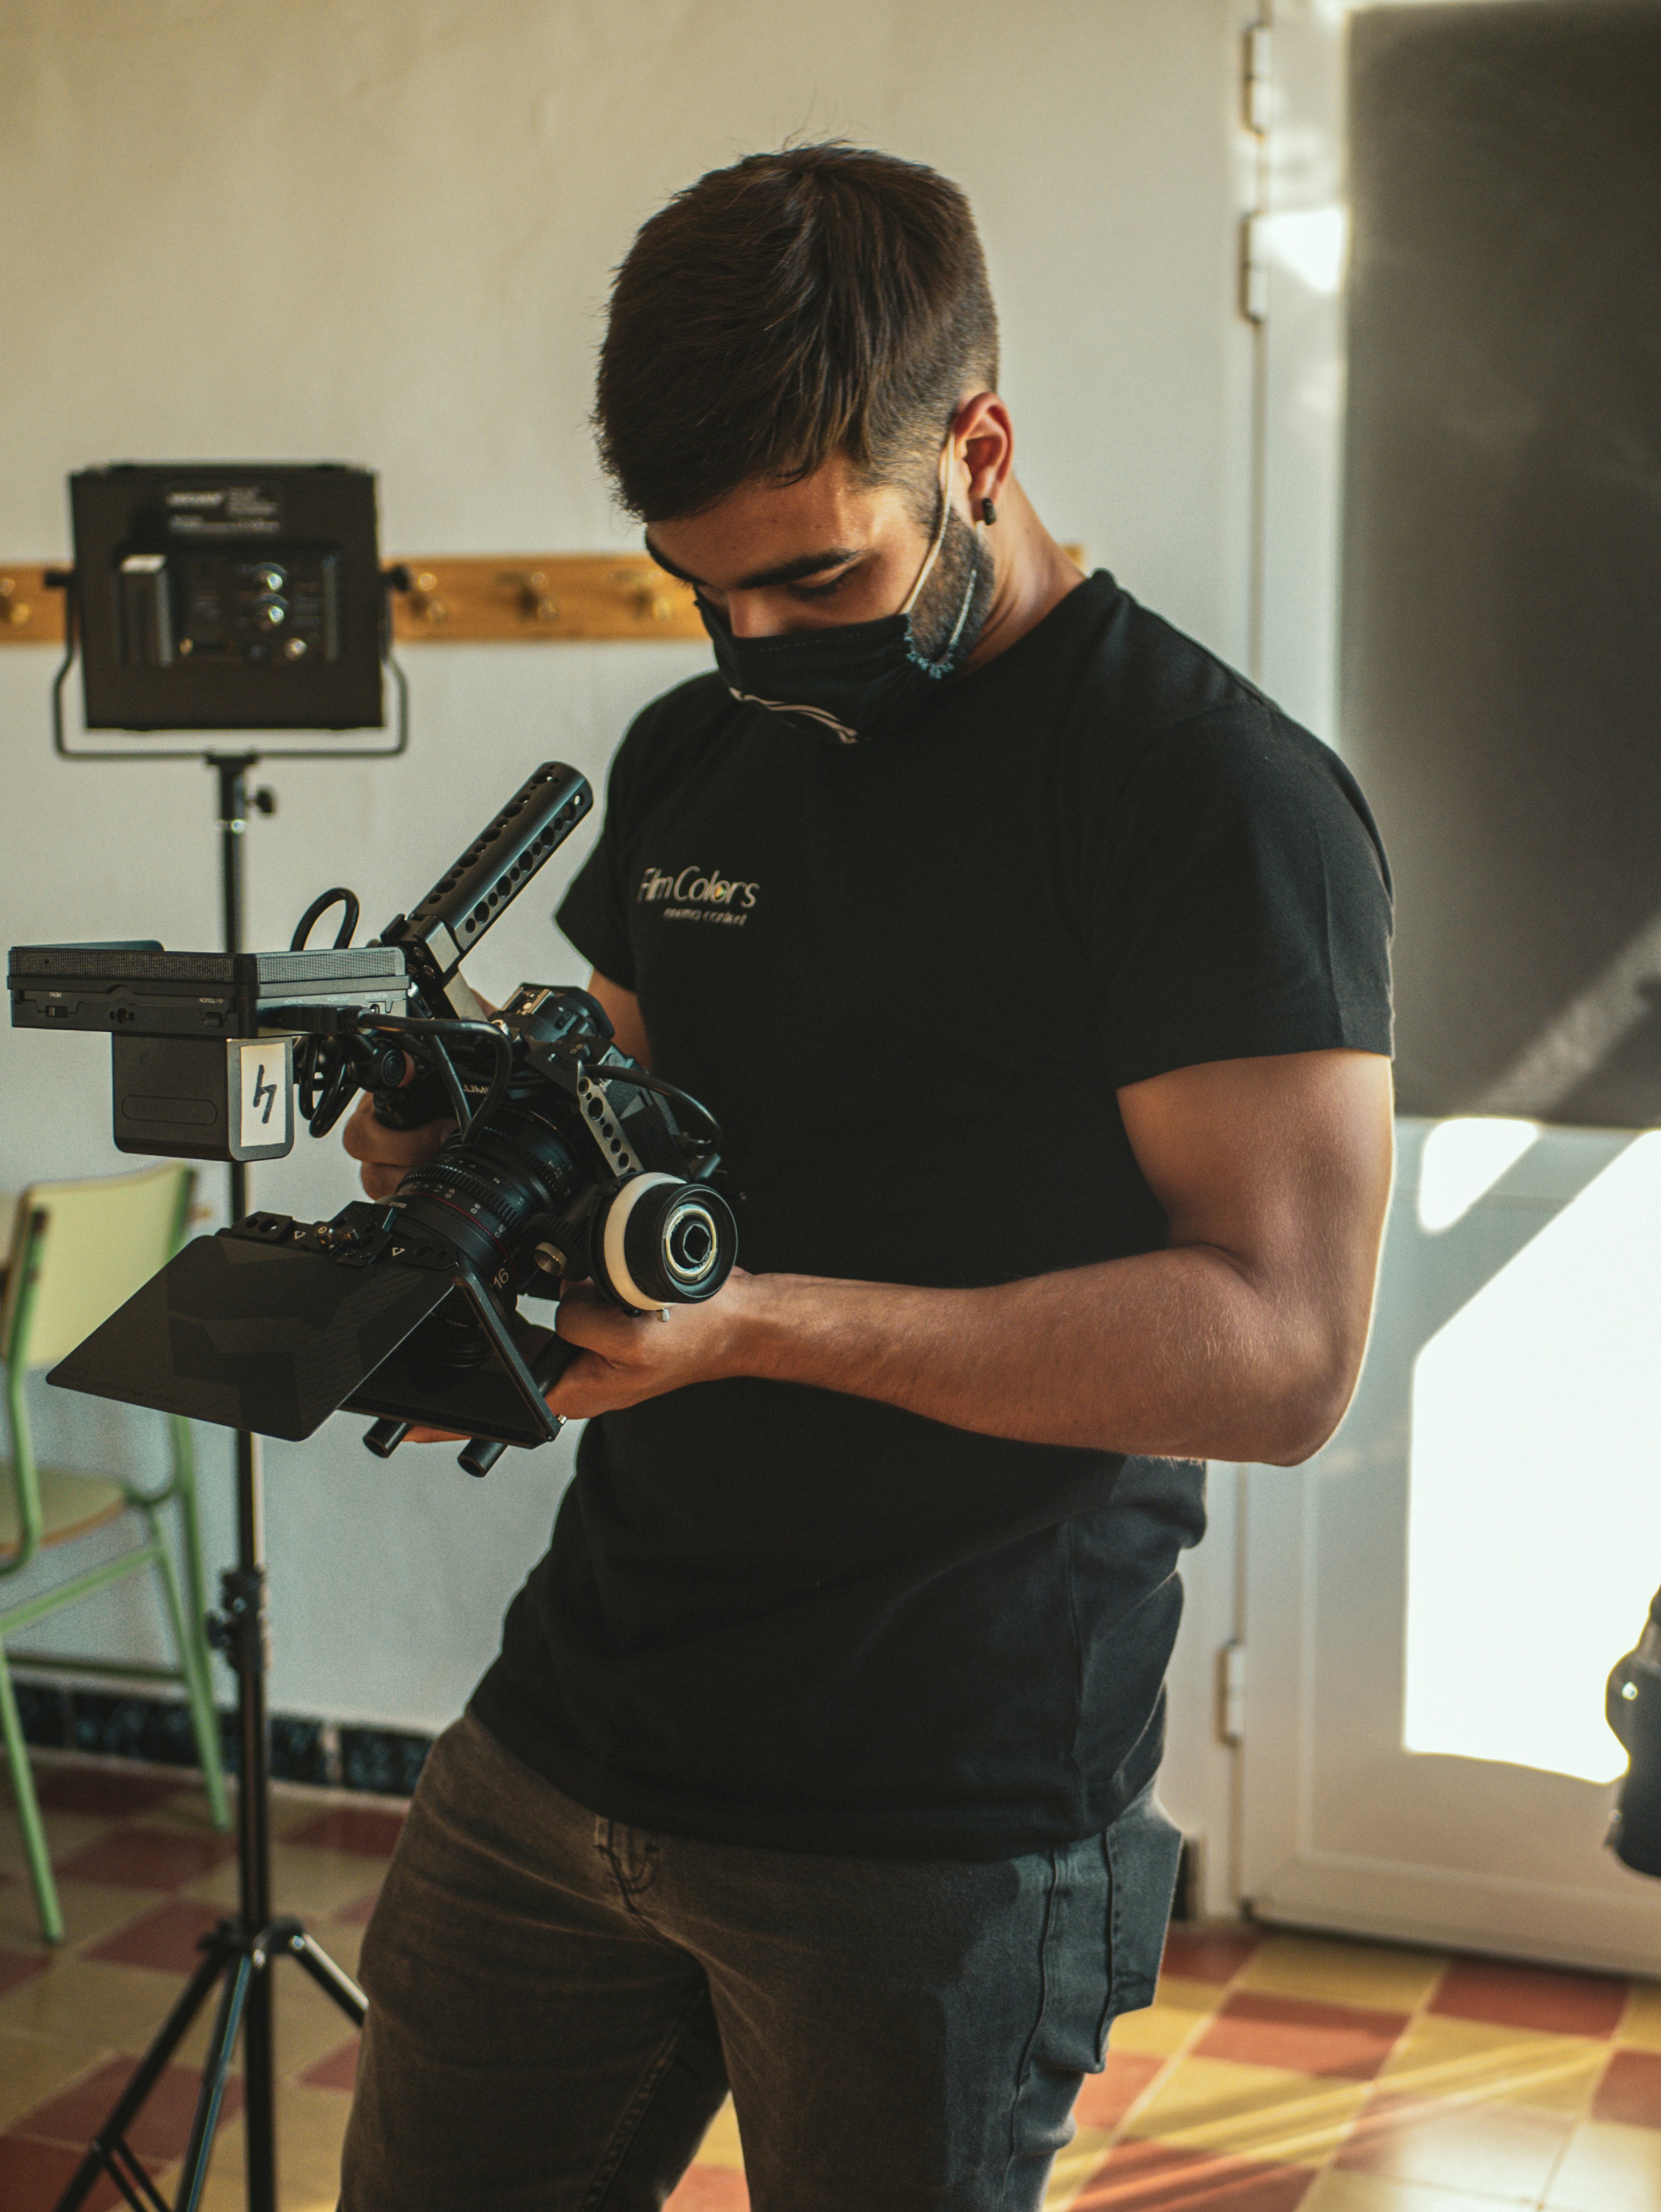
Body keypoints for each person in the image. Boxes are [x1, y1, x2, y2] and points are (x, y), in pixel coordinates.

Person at [338, 145, 1394, 2212]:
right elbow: (617, 1126)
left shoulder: (1210, 802)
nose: (749, 635)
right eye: (694, 585)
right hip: (571, 1730)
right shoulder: (693, 750)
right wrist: (470, 1147)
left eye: (813, 578)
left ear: (977, 447)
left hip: (944, 1819)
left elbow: (1280, 1352)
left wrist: (757, 1326)